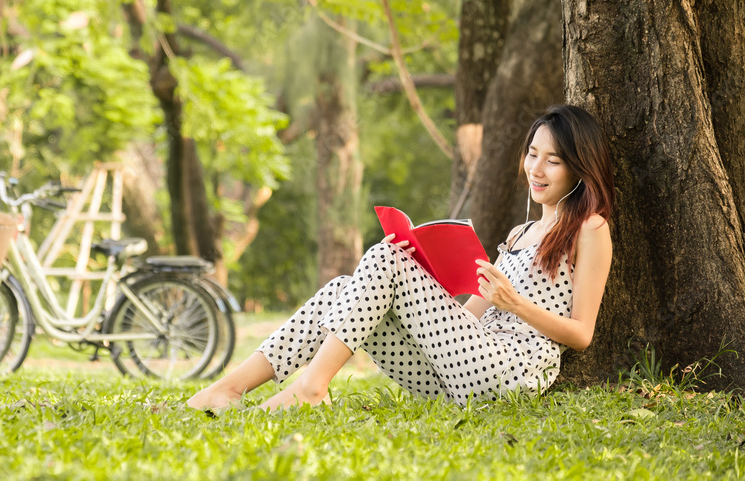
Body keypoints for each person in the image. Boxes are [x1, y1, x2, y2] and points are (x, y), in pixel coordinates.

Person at [187, 104, 614, 411]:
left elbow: (581, 334)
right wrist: (420, 278)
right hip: (454, 372)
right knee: (348, 286)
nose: (536, 169)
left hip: (510, 372)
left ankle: (311, 387)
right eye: (532, 154)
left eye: (553, 160)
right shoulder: (518, 234)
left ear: (578, 168)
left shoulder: (590, 229)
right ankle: (230, 387)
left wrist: (515, 303)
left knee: (384, 258)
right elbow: (468, 316)